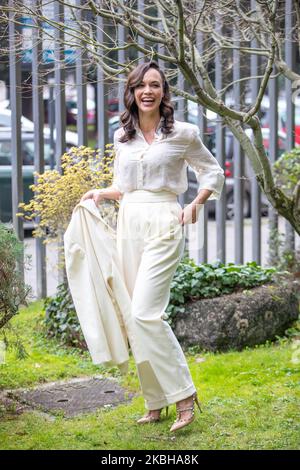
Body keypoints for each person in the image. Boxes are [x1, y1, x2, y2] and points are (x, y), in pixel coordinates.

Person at [80, 61, 224, 432]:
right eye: (141, 85)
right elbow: (124, 186)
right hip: (129, 220)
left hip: (163, 220)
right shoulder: (121, 136)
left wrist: (195, 204)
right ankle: (154, 401)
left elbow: (212, 171)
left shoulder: (183, 133)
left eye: (155, 85)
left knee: (146, 312)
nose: (148, 91)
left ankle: (184, 395)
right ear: (131, 92)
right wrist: (100, 193)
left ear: (164, 92)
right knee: (133, 315)